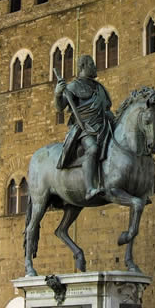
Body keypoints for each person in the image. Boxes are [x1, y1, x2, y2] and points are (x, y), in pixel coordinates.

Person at [55, 54, 113, 200]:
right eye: (92, 64)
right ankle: (89, 189)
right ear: (82, 67)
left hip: (103, 126)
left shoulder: (100, 88)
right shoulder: (74, 86)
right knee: (93, 149)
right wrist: (57, 94)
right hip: (84, 129)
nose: (95, 67)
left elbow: (106, 108)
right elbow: (60, 107)